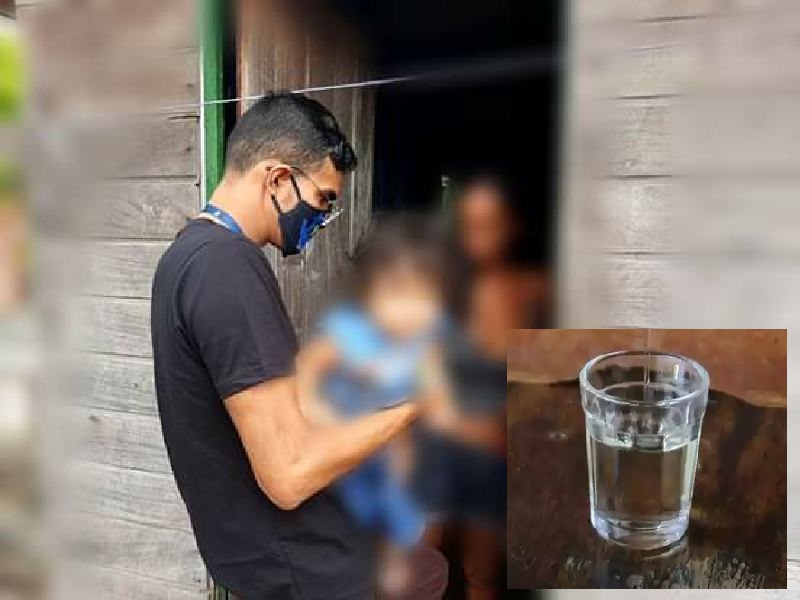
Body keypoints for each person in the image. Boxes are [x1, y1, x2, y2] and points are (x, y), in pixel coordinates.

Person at [151, 93, 447, 599]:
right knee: (427, 572)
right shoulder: (227, 268)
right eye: (324, 199)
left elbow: (258, 408)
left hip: (248, 550)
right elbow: (288, 476)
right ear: (277, 179)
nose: (324, 217)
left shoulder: (183, 257)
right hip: (297, 563)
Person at [298, 216, 452, 596]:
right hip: (345, 457)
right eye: (397, 294)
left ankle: (396, 561)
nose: (410, 311)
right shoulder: (347, 333)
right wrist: (322, 415)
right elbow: (305, 372)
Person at [413, 174, 550, 599]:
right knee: (415, 568)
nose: (477, 237)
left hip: (491, 456)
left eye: (489, 224)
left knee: (480, 573)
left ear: (512, 227)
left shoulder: (534, 291)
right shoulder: (439, 288)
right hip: (437, 449)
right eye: (469, 225)